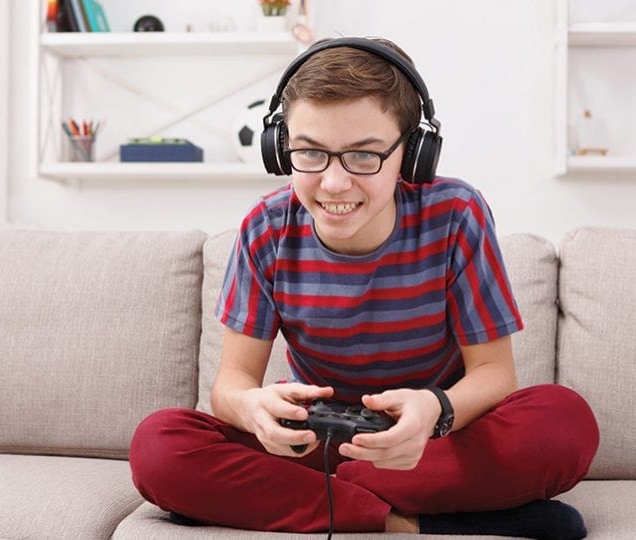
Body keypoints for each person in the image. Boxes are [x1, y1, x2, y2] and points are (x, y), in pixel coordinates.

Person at [130, 36, 599, 539]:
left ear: (413, 155)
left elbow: (494, 374)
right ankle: (401, 520)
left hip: (430, 442)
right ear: (280, 147)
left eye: (364, 156)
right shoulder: (266, 229)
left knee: (564, 421)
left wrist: (436, 411)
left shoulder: (456, 214)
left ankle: (319, 498)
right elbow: (230, 386)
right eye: (309, 153)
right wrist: (252, 408)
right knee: (160, 446)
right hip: (314, 446)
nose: (333, 183)